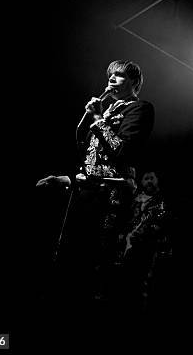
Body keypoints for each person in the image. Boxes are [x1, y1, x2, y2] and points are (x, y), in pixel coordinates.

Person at [36, 59, 154, 300]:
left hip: (111, 196)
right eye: (110, 74)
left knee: (98, 258)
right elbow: (89, 156)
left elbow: (120, 150)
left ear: (134, 81)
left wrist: (99, 118)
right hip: (85, 193)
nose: (111, 78)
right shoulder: (108, 110)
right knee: (69, 255)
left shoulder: (139, 108)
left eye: (119, 75)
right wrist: (67, 179)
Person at [117, 169, 174, 317]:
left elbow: (164, 224)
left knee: (144, 286)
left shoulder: (162, 201)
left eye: (152, 178)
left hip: (150, 250)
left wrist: (146, 234)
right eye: (146, 178)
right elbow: (126, 220)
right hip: (128, 249)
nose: (149, 181)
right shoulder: (135, 199)